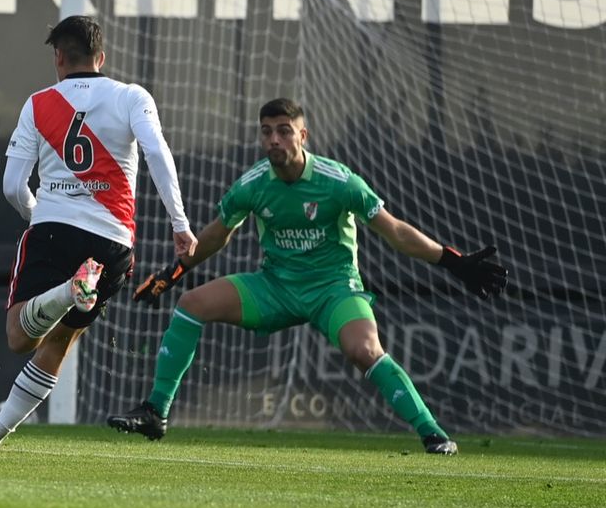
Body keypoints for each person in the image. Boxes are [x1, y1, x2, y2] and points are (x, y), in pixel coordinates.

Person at [108, 98, 508, 455]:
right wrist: (172, 273)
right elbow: (214, 237)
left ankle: (433, 433)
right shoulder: (253, 184)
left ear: (303, 134)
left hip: (333, 289)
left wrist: (452, 261)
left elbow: (395, 231)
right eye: (266, 132)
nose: (274, 140)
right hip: (276, 287)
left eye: (284, 131)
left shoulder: (339, 182)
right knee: (191, 305)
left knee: (365, 350)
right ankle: (155, 412)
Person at [0, 15, 197, 450]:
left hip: (55, 229)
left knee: (20, 336)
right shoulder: (132, 96)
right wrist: (180, 224)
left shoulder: (38, 104)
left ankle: (67, 291)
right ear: (101, 57)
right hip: (113, 244)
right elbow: (156, 152)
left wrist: (37, 213)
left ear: (58, 57)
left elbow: (13, 186)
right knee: (61, 338)